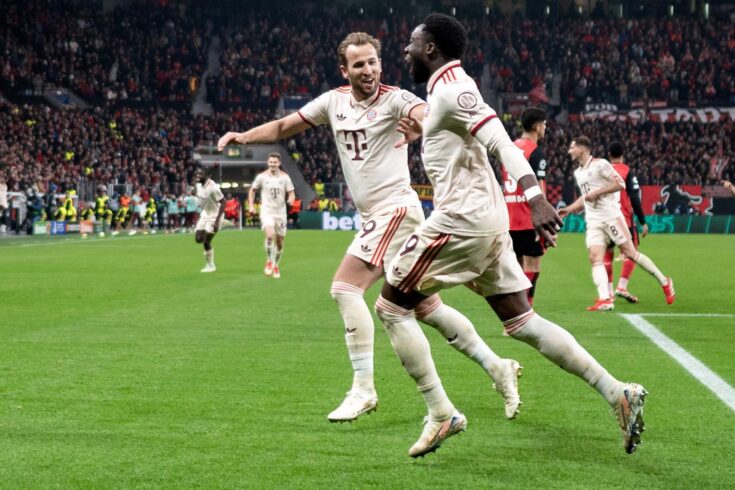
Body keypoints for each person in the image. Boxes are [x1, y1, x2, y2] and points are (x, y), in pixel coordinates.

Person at [374, 13, 648, 457]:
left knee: (390, 306)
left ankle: (441, 413)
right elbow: (462, 138)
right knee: (523, 323)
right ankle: (618, 392)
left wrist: (536, 198)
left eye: (412, 42)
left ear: (431, 48)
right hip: (488, 221)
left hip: (461, 221)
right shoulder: (444, 92)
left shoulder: (454, 88)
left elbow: (501, 143)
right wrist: (426, 130)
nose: (405, 50)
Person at [217, 31, 522, 425]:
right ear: (345, 70)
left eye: (373, 62)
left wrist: (423, 127)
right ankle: (498, 367)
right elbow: (282, 127)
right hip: (377, 216)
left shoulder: (396, 99)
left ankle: (363, 389)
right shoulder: (333, 102)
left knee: (344, 289)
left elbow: (429, 115)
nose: (368, 70)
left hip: (395, 210)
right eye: (358, 64)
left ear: (381, 64)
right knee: (427, 308)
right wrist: (243, 136)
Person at [559, 136, 675, 311]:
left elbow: (620, 184)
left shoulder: (601, 164)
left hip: (611, 217)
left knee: (631, 253)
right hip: (594, 221)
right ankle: (605, 299)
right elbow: (586, 196)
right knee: (595, 258)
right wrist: (568, 209)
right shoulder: (578, 172)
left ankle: (665, 281)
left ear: (581, 149)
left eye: (572, 147)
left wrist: (598, 192)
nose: (569, 151)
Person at [501, 107, 548, 305]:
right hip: (529, 218)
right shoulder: (535, 152)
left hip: (510, 217)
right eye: (544, 124)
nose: (545, 128)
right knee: (532, 266)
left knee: (517, 267)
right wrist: (544, 219)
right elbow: (539, 188)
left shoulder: (509, 148)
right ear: (537, 126)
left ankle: (516, 312)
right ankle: (526, 311)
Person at [603, 141, 649, 303]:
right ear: (623, 154)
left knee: (607, 255)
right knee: (632, 252)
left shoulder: (602, 171)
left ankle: (609, 293)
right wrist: (643, 221)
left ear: (609, 154)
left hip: (606, 219)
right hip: (624, 220)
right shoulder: (627, 172)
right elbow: (635, 198)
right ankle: (622, 286)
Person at [247, 152, 295, 279]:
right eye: (270, 162)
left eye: (275, 162)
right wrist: (251, 206)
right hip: (267, 211)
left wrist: (291, 199)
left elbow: (291, 192)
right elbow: (252, 190)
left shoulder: (285, 177)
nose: (272, 164)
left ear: (279, 163)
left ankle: (276, 265)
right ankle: (269, 261)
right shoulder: (261, 177)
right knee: (270, 235)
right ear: (268, 163)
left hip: (281, 213)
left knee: (279, 243)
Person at [194, 165, 226, 273]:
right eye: (198, 173)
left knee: (206, 241)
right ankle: (223, 223)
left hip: (214, 215)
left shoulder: (213, 188)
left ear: (208, 176)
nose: (198, 175)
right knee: (198, 239)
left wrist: (217, 221)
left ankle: (211, 265)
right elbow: (199, 196)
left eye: (201, 174)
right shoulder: (198, 185)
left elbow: (223, 202)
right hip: (205, 213)